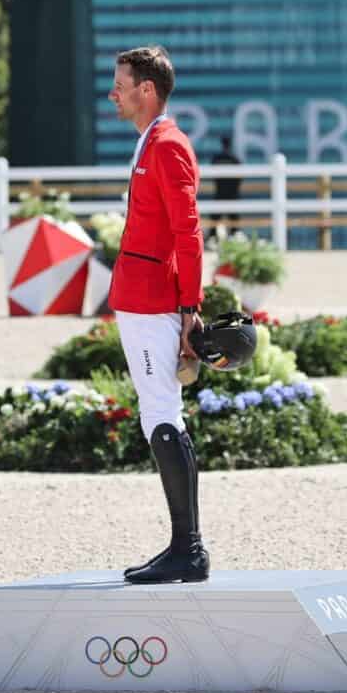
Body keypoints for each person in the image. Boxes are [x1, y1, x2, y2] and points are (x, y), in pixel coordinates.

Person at [106, 45, 207, 583]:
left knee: (162, 414)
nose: (112, 93)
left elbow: (187, 231)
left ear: (147, 89)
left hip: (155, 301)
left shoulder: (167, 146)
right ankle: (184, 547)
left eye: (120, 83)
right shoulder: (152, 142)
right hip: (141, 296)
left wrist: (190, 307)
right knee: (158, 414)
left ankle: (187, 548)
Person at [210, 135, 242, 231]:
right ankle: (236, 238)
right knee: (234, 222)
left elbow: (213, 175)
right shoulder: (235, 159)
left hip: (220, 192)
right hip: (232, 194)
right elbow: (240, 177)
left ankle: (212, 239)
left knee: (214, 221)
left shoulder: (216, 159)